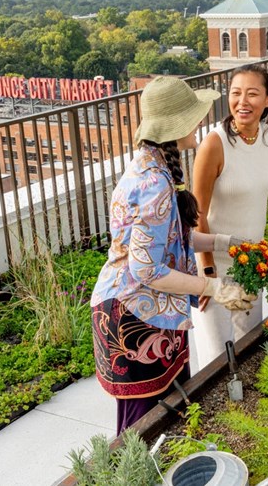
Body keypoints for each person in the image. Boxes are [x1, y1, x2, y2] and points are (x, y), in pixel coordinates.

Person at [90, 77, 254, 435]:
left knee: (172, 416)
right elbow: (147, 269)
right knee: (144, 431)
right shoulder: (153, 184)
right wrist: (215, 288)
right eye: (193, 116)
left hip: (152, 312)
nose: (200, 121)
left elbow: (172, 241)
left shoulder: (157, 167)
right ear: (174, 126)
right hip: (134, 317)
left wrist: (226, 243)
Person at [190, 64, 268, 370]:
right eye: (236, 93)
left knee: (248, 353)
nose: (243, 101)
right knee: (216, 364)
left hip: (251, 266)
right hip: (214, 265)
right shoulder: (214, 144)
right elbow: (195, 213)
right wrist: (208, 273)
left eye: (252, 94)